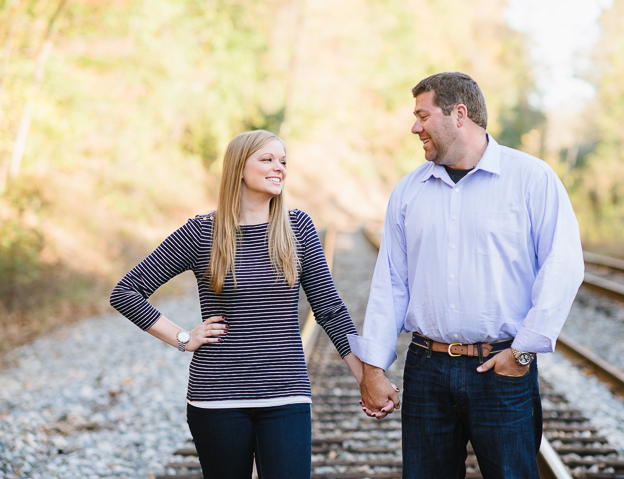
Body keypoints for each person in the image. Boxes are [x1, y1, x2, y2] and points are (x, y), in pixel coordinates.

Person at [349, 72, 584, 479]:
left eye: (423, 115)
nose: (414, 127)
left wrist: (523, 351)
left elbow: (563, 266)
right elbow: (390, 283)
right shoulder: (409, 191)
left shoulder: (531, 178)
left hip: (501, 367)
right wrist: (373, 368)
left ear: (460, 114)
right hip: (426, 369)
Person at [110, 129, 363, 479]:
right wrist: (183, 339)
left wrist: (366, 376)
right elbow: (126, 292)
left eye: (284, 161)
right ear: (239, 168)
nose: (280, 168)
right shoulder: (201, 233)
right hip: (217, 398)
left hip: (285, 394)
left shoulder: (298, 228)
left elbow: (330, 309)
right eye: (268, 159)